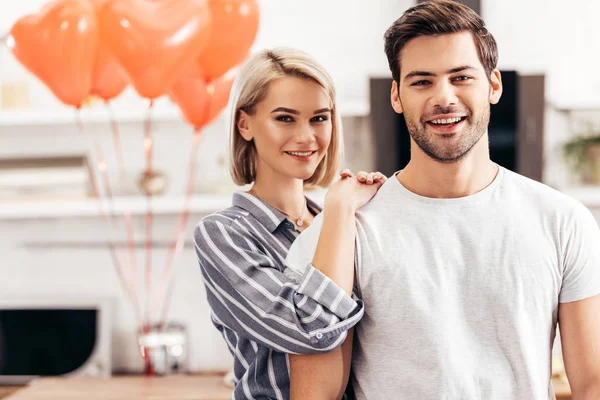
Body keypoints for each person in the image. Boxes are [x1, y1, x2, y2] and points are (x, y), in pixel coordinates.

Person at [284, 1, 600, 399]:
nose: (444, 97)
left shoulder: (563, 222)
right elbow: (316, 395)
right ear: (396, 96)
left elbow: (592, 383)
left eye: (461, 77)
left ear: (494, 85)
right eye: (421, 82)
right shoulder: (339, 235)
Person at [193, 47, 386, 399]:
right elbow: (310, 328)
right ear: (245, 123)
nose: (306, 137)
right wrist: (340, 208)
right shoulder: (224, 234)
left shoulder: (347, 221)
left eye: (319, 118)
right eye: (285, 118)